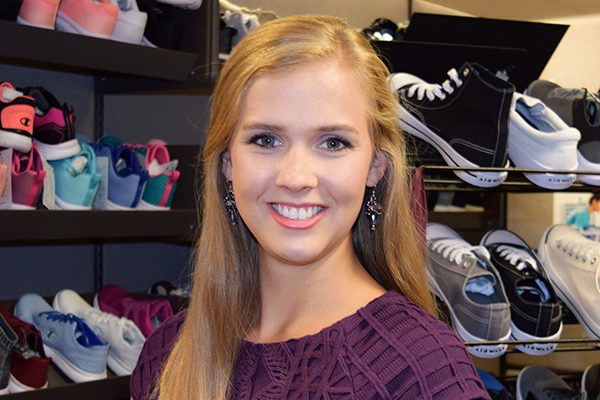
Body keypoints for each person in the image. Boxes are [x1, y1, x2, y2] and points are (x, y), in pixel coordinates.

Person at [130, 15, 490, 400]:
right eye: (266, 140)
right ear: (227, 163)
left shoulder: (424, 368)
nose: (297, 177)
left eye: (333, 143)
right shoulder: (167, 352)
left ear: (375, 166)